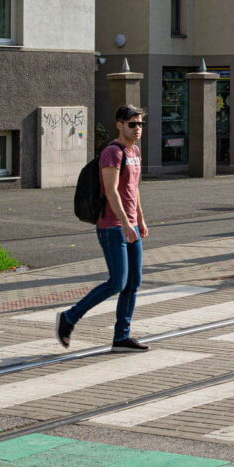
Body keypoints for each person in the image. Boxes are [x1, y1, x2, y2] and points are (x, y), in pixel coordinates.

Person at [57, 105, 150, 352]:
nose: (137, 128)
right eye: (132, 124)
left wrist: (140, 219)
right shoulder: (113, 153)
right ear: (120, 125)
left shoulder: (135, 152)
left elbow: (133, 189)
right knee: (117, 282)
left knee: (133, 282)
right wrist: (126, 223)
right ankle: (69, 317)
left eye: (140, 124)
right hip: (112, 227)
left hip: (130, 226)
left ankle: (122, 337)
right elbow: (111, 191)